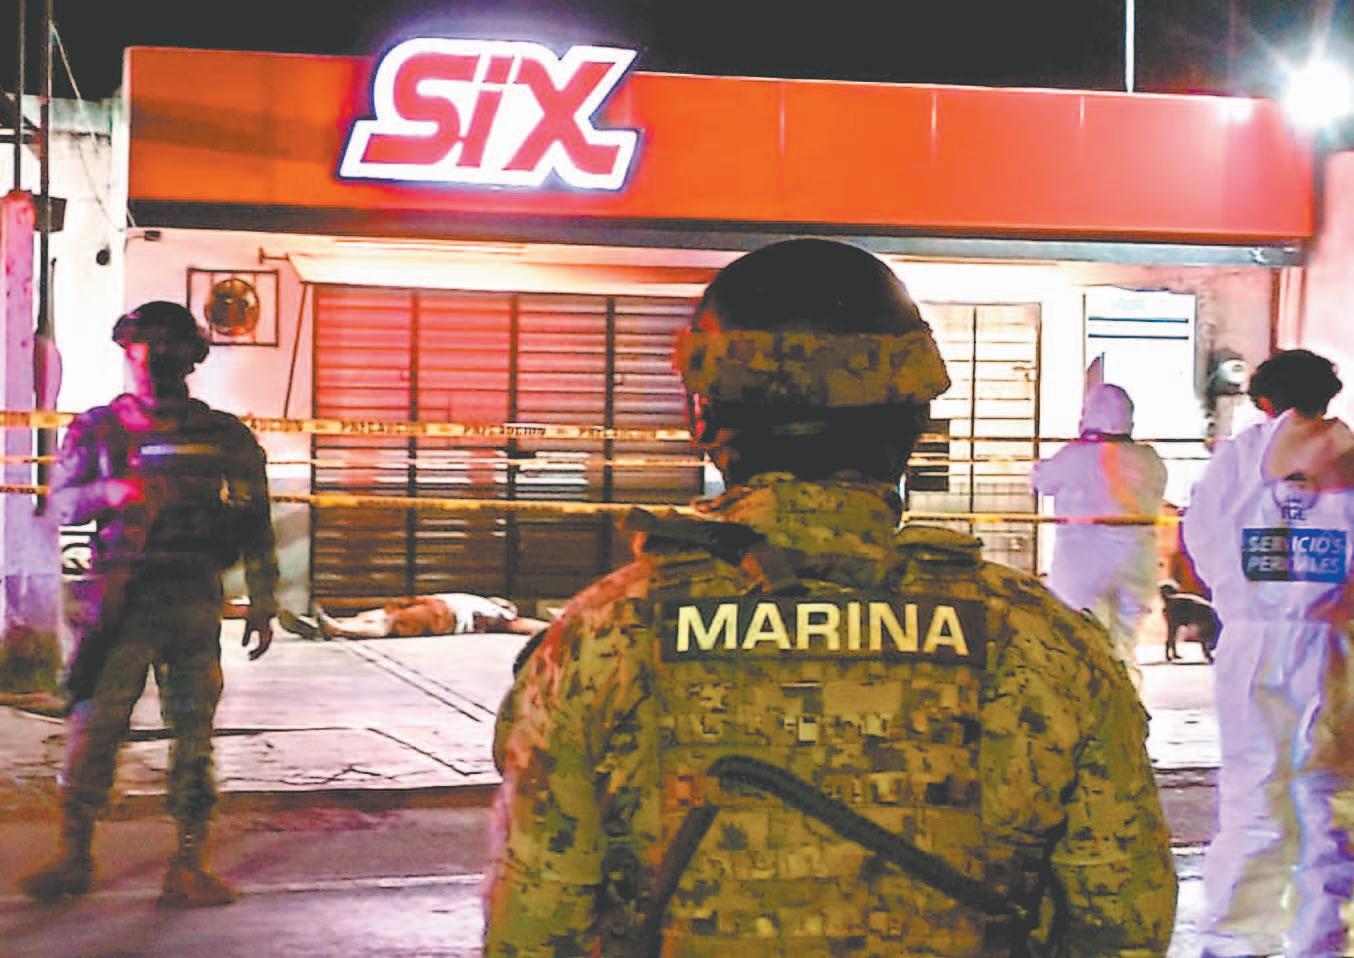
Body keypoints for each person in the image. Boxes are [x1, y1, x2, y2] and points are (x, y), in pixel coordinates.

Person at [484, 239, 1175, 956]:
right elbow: (1123, 925)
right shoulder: (1043, 646)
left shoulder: (601, 640)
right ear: (915, 421)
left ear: (702, 418)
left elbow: (533, 928)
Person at [20, 301, 278, 908]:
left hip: (191, 600)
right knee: (95, 731)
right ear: (128, 352)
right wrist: (116, 490)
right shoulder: (99, 429)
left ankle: (187, 864)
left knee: (193, 736)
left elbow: (254, 519)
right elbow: (61, 505)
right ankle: (75, 857)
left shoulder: (223, 435)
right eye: (147, 347)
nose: (158, 359)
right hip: (118, 605)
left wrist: (264, 597)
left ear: (192, 357)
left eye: (170, 347)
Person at [1183, 348, 1354, 958]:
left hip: (1250, 643)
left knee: (1252, 793)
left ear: (1261, 400)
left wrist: (1244, 596)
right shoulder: (1350, 455)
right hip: (1336, 648)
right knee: (1331, 800)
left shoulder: (1235, 460)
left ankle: (1234, 940)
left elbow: (1201, 537)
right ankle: (1325, 940)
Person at [1029, 384, 1168, 690]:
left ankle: (1090, 708)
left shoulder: (1074, 456)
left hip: (1082, 565)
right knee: (1125, 646)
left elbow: (1042, 481)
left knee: (1083, 645)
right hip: (1137, 563)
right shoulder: (1148, 458)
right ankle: (1127, 706)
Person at [278, 593, 548, 640]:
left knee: (389, 623)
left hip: (445, 614)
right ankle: (326, 626)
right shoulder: (480, 600)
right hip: (431, 602)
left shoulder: (500, 615)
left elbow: (526, 626)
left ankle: (338, 630)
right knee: (377, 614)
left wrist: (559, 628)